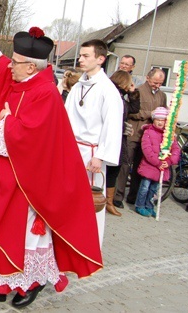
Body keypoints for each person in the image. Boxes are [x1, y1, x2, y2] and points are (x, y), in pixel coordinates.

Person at [0, 19, 102, 308]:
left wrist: (7, 120)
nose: (9, 65)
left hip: (27, 180)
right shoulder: (17, 79)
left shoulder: (45, 92)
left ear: (31, 66)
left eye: (16, 62)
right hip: (2, 172)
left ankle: (31, 283)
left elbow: (35, 137)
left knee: (23, 234)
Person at [65, 39, 123, 245]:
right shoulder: (78, 85)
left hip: (92, 154)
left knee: (91, 202)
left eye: (85, 56)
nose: (80, 59)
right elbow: (66, 117)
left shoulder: (108, 90)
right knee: (69, 199)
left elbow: (113, 125)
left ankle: (89, 245)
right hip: (73, 149)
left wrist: (100, 156)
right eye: (80, 55)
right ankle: (69, 243)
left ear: (100, 59)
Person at [114, 68, 167, 209]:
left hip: (150, 138)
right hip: (134, 134)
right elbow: (131, 112)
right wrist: (149, 113)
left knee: (141, 167)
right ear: (148, 78)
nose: (157, 85)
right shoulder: (138, 91)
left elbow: (163, 112)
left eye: (160, 83)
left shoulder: (162, 95)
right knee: (125, 165)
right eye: (155, 82)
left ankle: (133, 196)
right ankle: (117, 196)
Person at [105, 70, 140, 216]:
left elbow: (134, 108)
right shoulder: (112, 95)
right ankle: (106, 201)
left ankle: (109, 202)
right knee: (109, 170)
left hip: (119, 138)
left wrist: (133, 93)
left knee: (114, 169)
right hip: (111, 137)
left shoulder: (120, 96)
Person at [135, 107, 180, 217]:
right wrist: (158, 162)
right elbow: (147, 150)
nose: (160, 122)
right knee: (145, 187)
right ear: (153, 120)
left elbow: (176, 149)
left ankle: (150, 206)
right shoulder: (148, 132)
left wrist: (169, 161)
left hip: (162, 168)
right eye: (158, 119)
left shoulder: (169, 135)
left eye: (163, 120)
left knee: (154, 189)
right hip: (150, 166)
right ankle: (140, 205)